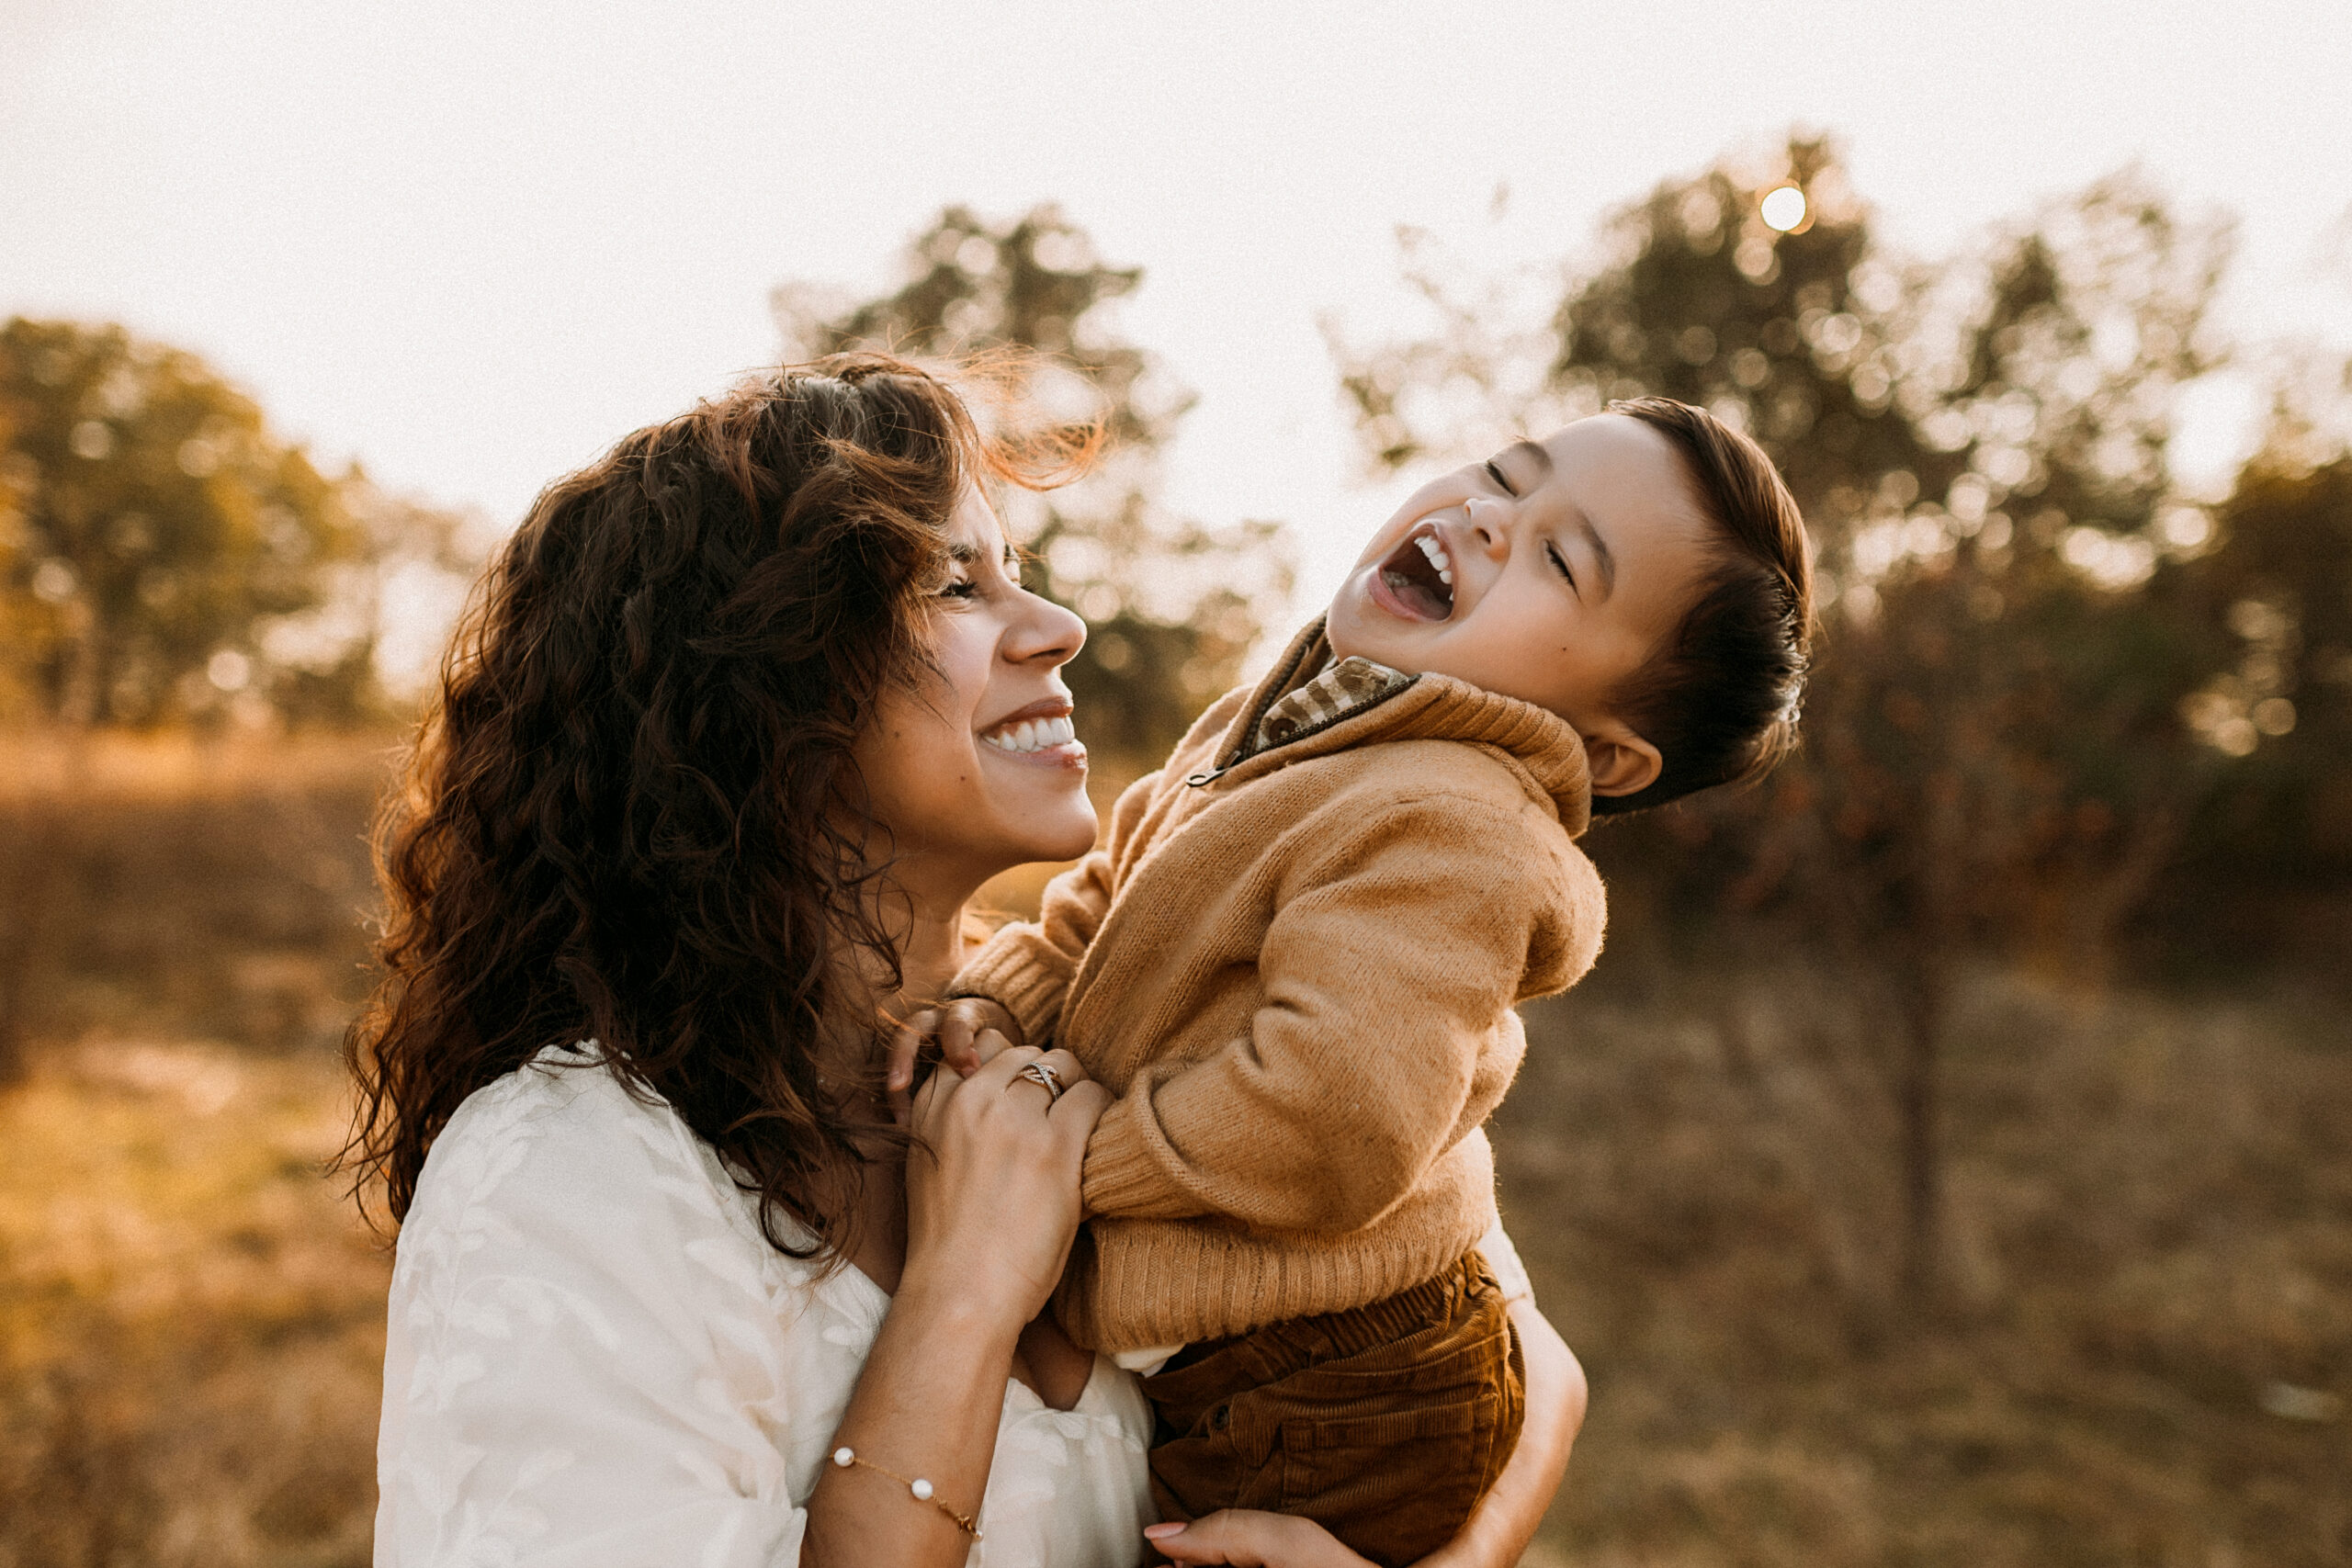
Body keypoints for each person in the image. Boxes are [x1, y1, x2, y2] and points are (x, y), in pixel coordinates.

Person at [345, 353, 1588, 1567]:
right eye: (956, 585)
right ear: (758, 684)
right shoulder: (574, 1170)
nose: (1058, 625)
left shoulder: (1079, 1037)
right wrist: (968, 1284)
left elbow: (1527, 1354)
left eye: (1021, 574)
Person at [935, 399, 1813, 1564]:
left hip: (1344, 1386)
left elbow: (1329, 1114)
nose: (1493, 521)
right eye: (1506, 473)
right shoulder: (1290, 722)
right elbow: (1103, 912)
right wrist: (987, 1005)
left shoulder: (1457, 826)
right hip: (1246, 1335)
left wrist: (1060, 1164)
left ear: (1607, 752)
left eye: (1559, 557)